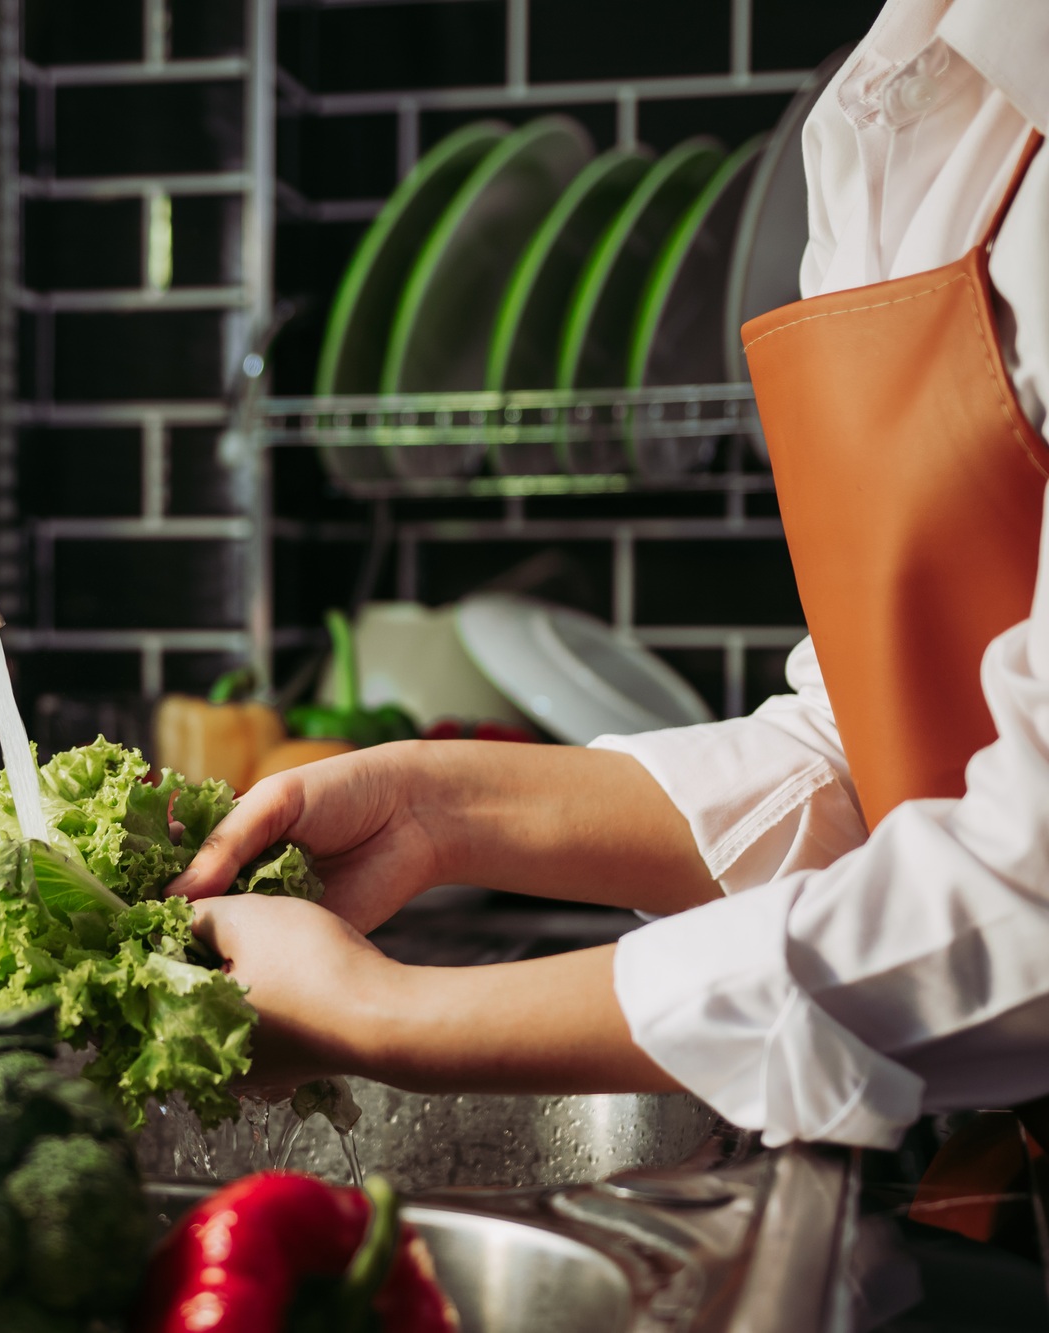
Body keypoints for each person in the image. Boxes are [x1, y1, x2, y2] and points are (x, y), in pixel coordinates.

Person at [171, 0, 1049, 1151]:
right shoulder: (887, 112)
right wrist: (436, 811)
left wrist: (386, 1014)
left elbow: (1025, 890)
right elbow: (873, 760)